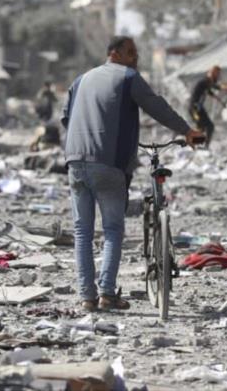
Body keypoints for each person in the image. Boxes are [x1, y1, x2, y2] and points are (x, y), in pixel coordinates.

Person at [62, 36, 204, 312]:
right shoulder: (128, 78)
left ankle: (86, 298)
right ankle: (106, 293)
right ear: (114, 53)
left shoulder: (80, 80)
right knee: (113, 229)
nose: (135, 59)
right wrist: (187, 131)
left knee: (83, 232)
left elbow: (67, 118)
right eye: (130, 53)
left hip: (75, 161)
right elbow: (157, 107)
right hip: (108, 163)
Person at [188, 65, 227, 145]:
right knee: (203, 127)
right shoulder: (204, 82)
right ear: (212, 74)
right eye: (217, 74)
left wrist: (221, 102)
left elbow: (210, 92)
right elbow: (216, 87)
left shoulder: (207, 84)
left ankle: (201, 145)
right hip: (195, 109)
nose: (218, 77)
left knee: (208, 127)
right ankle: (193, 144)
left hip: (198, 109)